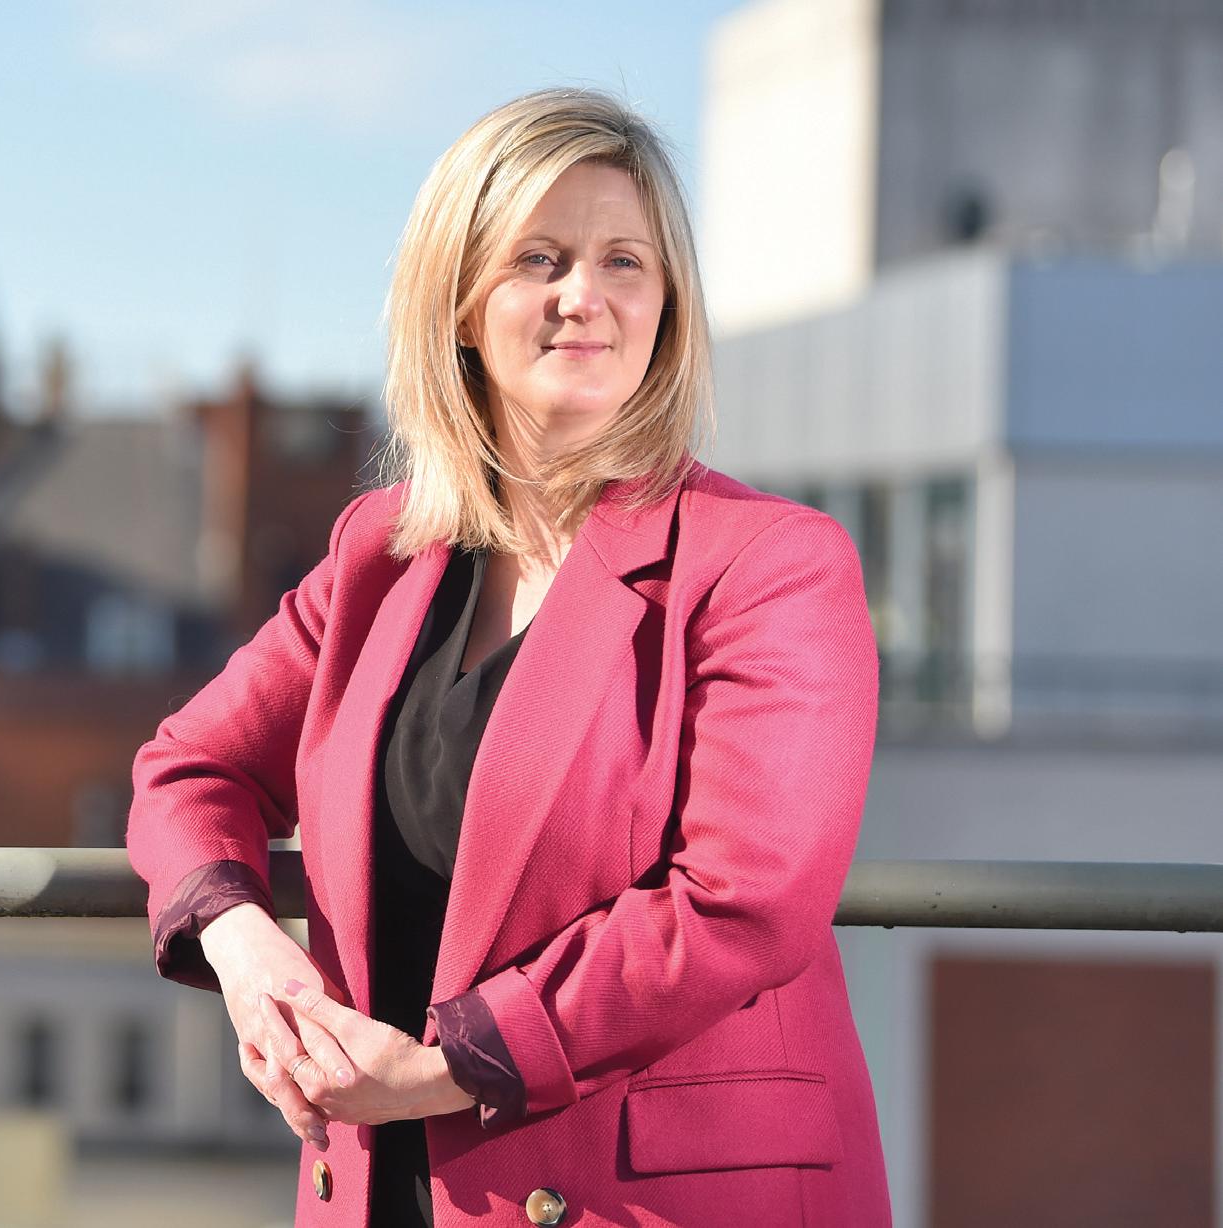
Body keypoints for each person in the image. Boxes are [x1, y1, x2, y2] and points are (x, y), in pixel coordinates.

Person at [126, 86, 892, 1227]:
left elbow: (745, 898)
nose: (585, 296)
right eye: (540, 259)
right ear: (459, 306)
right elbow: (188, 768)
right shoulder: (382, 555)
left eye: (624, 262)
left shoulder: (769, 562)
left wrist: (446, 1068)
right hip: (380, 1189)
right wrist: (248, 954)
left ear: (667, 306)